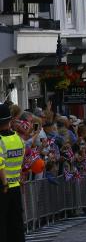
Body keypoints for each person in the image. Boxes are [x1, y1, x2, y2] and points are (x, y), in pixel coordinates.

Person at [0, 103, 25, 242]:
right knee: (16, 224)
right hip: (15, 186)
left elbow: (0, 164)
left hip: (3, 188)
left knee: (2, 225)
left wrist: (4, 183)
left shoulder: (0, 140)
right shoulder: (17, 138)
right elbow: (20, 160)